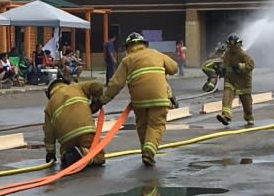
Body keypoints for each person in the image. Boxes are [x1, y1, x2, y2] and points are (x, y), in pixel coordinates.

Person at [91, 32, 178, 167]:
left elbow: (116, 84)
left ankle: (146, 151)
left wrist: (101, 101)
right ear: (144, 44)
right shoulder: (156, 54)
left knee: (142, 125)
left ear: (128, 47)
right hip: (160, 99)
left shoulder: (127, 60)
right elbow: (174, 68)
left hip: (139, 101)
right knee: (156, 125)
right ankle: (149, 151)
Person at [43, 78, 106, 169]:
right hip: (86, 132)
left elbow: (49, 133)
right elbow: (97, 86)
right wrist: (96, 102)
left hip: (66, 140)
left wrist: (50, 153)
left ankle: (69, 156)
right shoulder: (77, 87)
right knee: (99, 156)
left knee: (67, 154)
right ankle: (80, 153)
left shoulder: (49, 106)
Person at [217, 33, 255, 127]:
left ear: (239, 45)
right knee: (227, 97)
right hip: (230, 81)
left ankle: (249, 117)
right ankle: (226, 117)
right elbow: (224, 64)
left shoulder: (243, 54)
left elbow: (251, 65)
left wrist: (239, 66)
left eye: (234, 46)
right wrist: (221, 69)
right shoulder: (227, 53)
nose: (231, 48)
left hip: (243, 83)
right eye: (230, 46)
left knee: (247, 104)